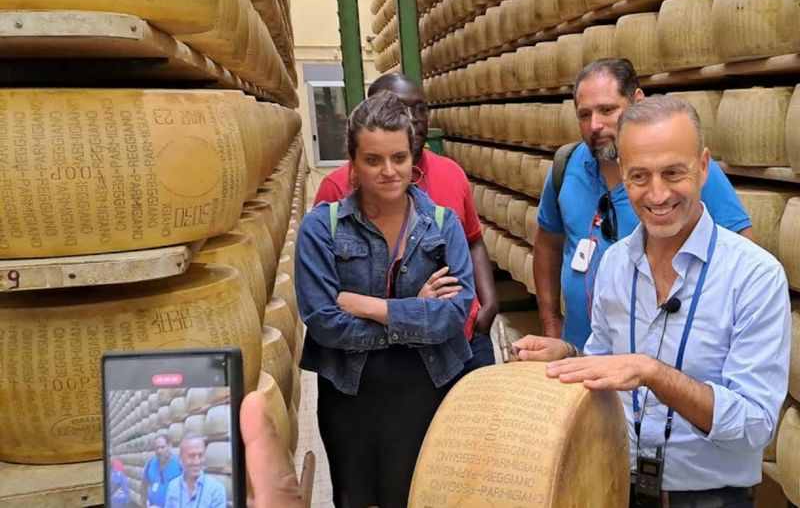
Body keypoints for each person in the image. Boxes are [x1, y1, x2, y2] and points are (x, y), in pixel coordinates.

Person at [516, 96, 790, 508]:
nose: (657, 194)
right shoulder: (613, 265)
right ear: (622, 174)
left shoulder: (754, 275)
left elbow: (756, 425)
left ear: (703, 167)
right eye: (640, 176)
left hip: (709, 498)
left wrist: (652, 373)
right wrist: (570, 355)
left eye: (673, 172)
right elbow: (607, 367)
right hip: (613, 484)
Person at [296, 90, 475, 507]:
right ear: (353, 164)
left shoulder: (442, 224)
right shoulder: (321, 229)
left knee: (418, 495)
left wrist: (371, 307)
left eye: (398, 158)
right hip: (350, 391)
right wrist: (417, 312)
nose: (388, 171)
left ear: (414, 159)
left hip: (425, 385)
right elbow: (325, 322)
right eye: (373, 160)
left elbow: (453, 315)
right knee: (355, 497)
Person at [535, 58, 754, 349]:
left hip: (663, 361)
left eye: (607, 110)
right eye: (584, 114)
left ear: (637, 100)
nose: (595, 125)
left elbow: (741, 250)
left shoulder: (685, 172)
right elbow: (548, 244)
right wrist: (551, 325)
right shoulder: (566, 166)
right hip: (583, 353)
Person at [314, 72, 498, 373]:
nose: (413, 119)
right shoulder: (336, 190)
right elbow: (325, 307)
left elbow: (473, 239)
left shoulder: (451, 172)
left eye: (420, 109)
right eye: (400, 109)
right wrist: (416, 311)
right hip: (384, 357)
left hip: (463, 339)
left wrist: (488, 306)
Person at [164, 434, 226, 508]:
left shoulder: (216, 490)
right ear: (181, 459)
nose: (197, 462)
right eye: (191, 456)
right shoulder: (173, 487)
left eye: (200, 455)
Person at [141, 434, 183, 508]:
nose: (159, 451)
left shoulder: (179, 464)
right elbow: (144, 485)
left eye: (162, 447)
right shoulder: (150, 464)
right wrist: (144, 503)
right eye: (157, 448)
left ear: (170, 446)